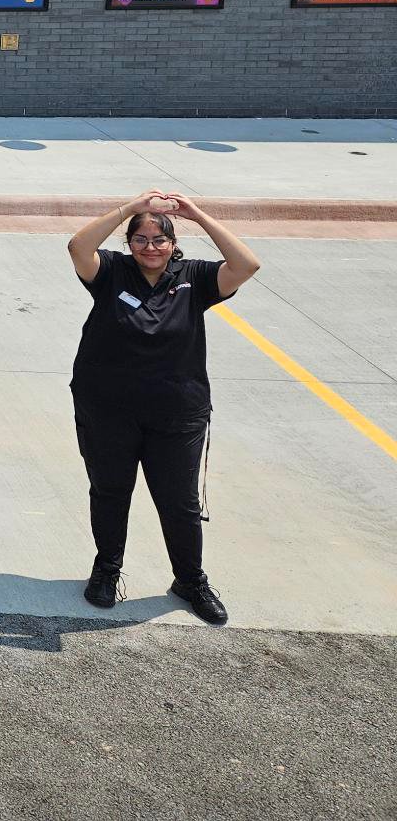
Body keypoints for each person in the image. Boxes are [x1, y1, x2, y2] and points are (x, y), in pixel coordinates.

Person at [66, 192, 261, 624]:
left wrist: (197, 216)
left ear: (173, 244)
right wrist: (130, 206)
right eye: (140, 239)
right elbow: (79, 246)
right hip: (108, 410)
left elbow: (247, 265)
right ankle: (107, 570)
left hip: (177, 413)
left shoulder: (195, 277)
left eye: (159, 240)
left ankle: (190, 580)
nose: (149, 247)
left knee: (179, 503)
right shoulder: (111, 272)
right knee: (111, 491)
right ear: (128, 242)